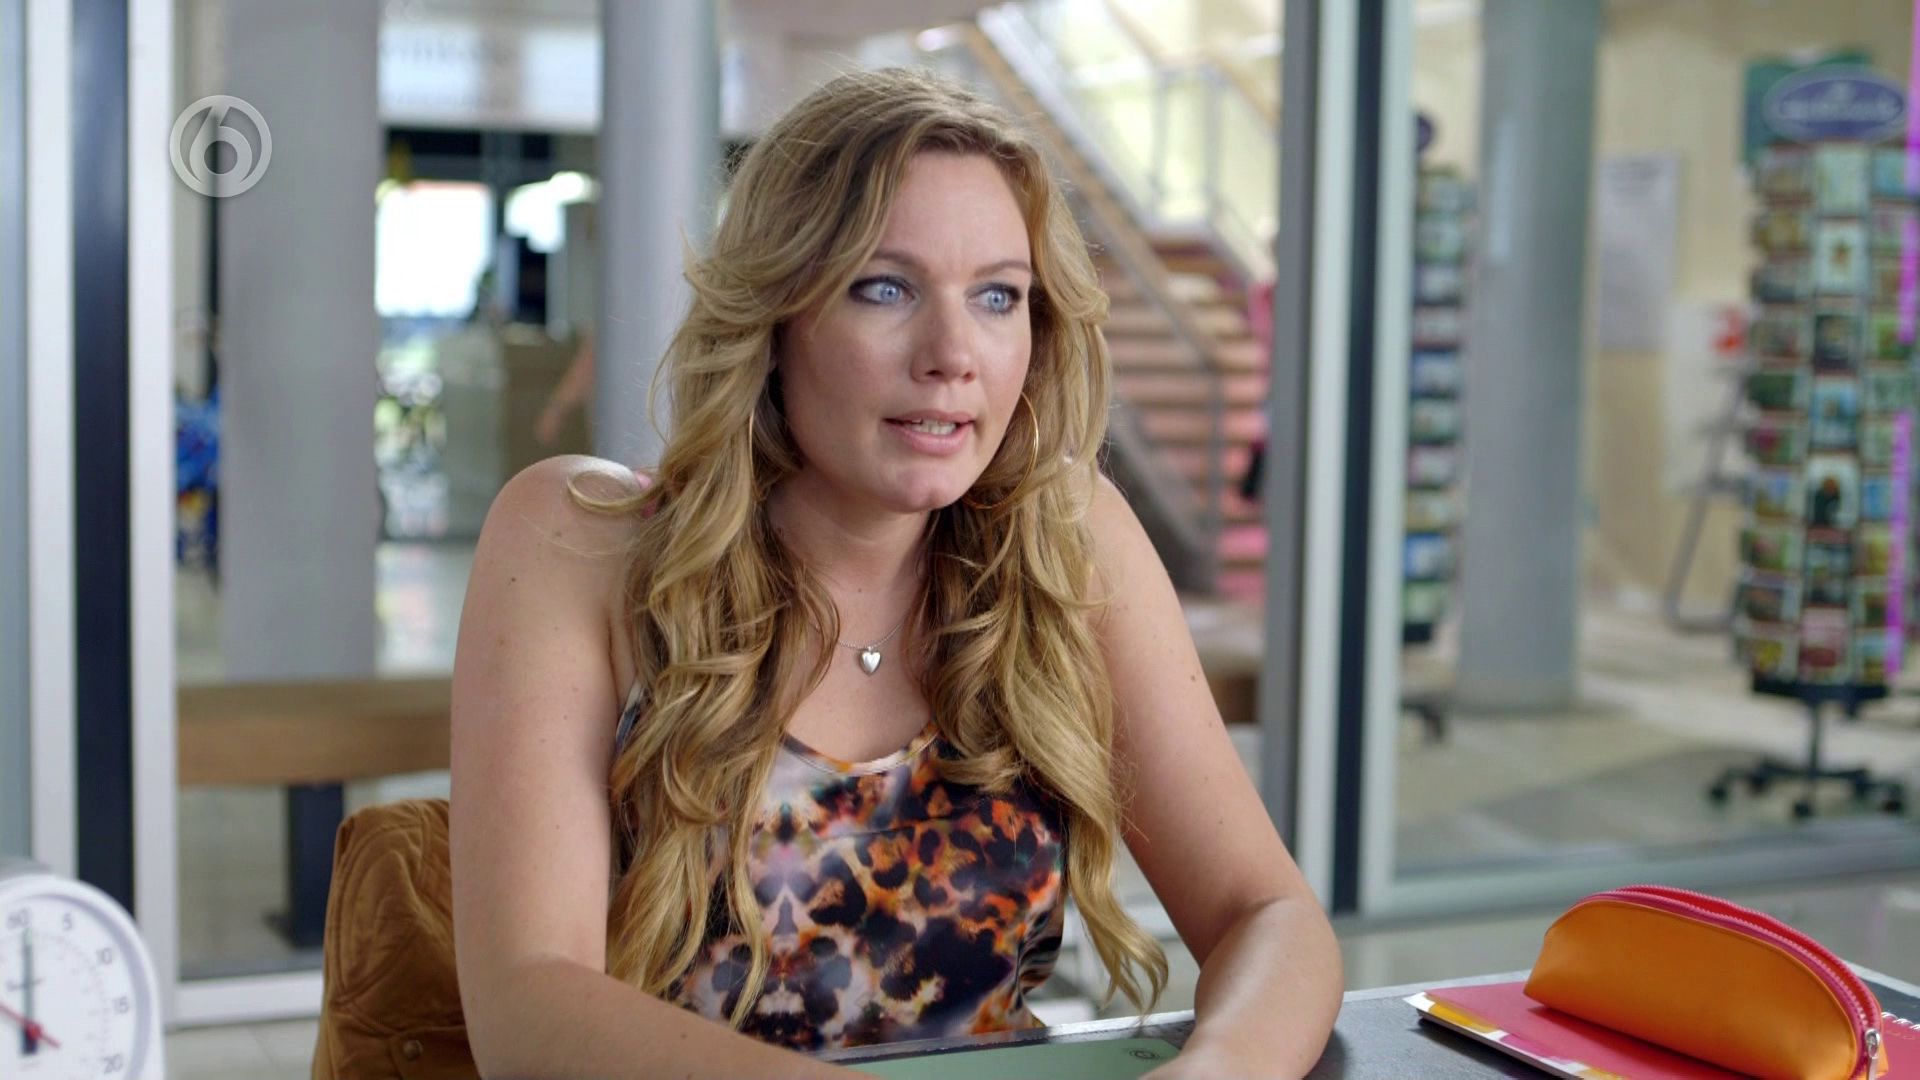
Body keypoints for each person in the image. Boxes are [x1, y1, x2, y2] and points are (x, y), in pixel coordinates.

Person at [448, 67, 1342, 1080]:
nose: (953, 354)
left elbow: (1268, 915)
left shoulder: (1063, 537)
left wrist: (1214, 1072)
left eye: (997, 296)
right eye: (885, 288)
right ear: (776, 315)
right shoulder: (580, 540)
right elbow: (528, 1007)